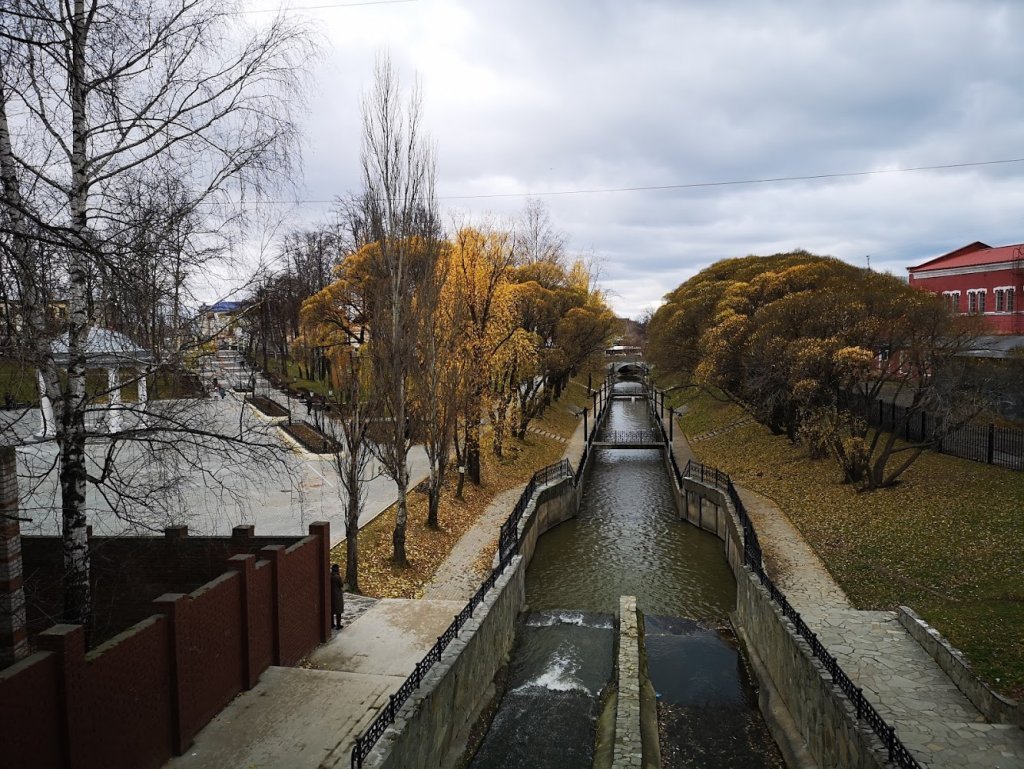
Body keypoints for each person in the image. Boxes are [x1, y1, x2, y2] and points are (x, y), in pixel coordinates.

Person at [330, 563, 344, 630]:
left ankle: (331, 624)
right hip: (337, 595)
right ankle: (338, 625)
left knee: (332, 610)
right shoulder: (337, 577)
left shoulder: (330, 576)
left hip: (331, 595)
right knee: (338, 610)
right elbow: (341, 585)